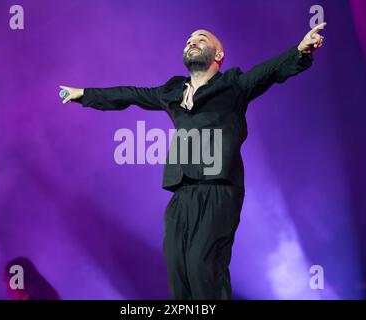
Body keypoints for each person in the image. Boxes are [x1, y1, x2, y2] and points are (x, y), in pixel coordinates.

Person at [59, 23, 326, 300]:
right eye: (188, 40)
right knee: (178, 270)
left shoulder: (233, 84)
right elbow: (130, 94)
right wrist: (83, 95)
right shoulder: (172, 91)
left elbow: (267, 73)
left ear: (218, 54)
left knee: (203, 266)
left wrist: (299, 51)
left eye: (200, 38)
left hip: (219, 189)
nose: (191, 42)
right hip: (181, 191)